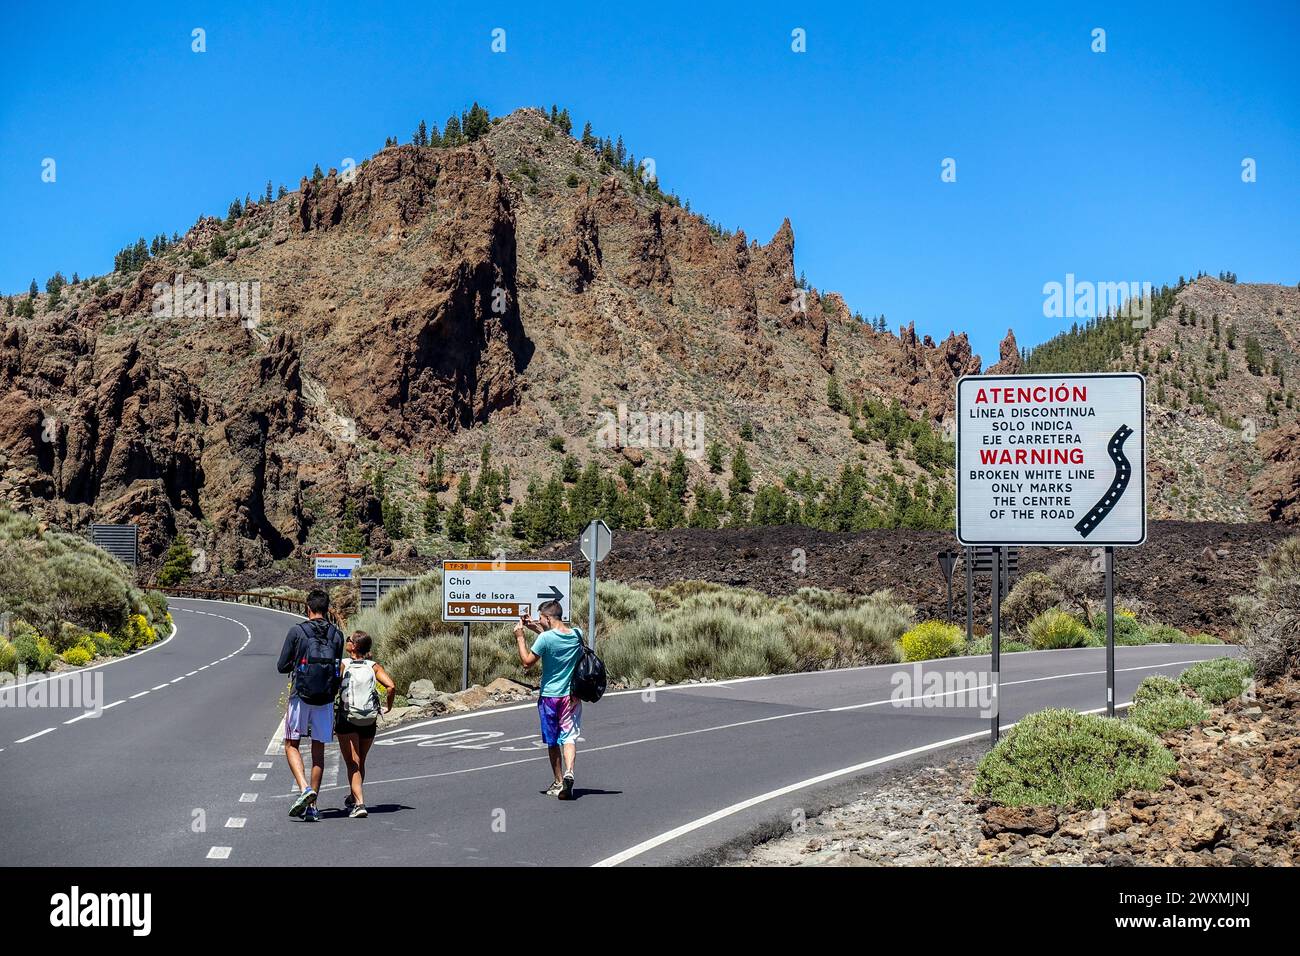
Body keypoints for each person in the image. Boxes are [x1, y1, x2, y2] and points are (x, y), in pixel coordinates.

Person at [276, 588, 345, 822]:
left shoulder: (297, 631)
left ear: (308, 608)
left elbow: (282, 665)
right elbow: (337, 666)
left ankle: (305, 788)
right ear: (327, 610)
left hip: (300, 695)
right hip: (325, 698)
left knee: (291, 743)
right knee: (318, 752)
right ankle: (313, 807)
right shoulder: (337, 634)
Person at [515, 600, 583, 800]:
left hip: (549, 697)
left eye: (540, 617)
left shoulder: (545, 639)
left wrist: (520, 637)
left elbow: (527, 662)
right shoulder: (577, 634)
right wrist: (535, 627)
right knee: (569, 737)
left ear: (546, 617)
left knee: (552, 741)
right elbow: (554, 639)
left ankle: (559, 781)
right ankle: (570, 771)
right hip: (571, 697)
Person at [335, 630, 396, 819]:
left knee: (352, 763)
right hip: (369, 719)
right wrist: (389, 707)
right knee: (361, 760)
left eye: (349, 640)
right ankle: (354, 798)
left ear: (354, 646)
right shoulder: (373, 666)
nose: (347, 642)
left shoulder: (344, 664)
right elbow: (391, 686)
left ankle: (359, 804)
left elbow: (334, 685)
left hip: (347, 718)